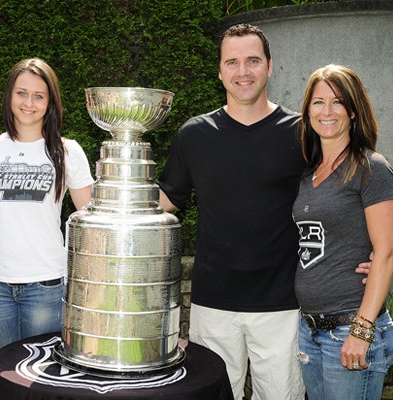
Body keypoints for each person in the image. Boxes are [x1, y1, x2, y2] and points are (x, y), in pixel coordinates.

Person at [158, 24, 372, 399]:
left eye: (253, 61)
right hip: (213, 304)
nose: (244, 71)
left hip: (283, 304)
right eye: (233, 62)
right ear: (220, 70)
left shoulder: (302, 133)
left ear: (270, 66)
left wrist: (370, 251)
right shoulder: (193, 135)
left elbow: (342, 192)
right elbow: (165, 201)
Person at [0, 58, 93, 357]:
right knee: (2, 373)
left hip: (46, 284)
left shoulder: (68, 151)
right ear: (9, 97)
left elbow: (89, 221)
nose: (29, 102)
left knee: (42, 378)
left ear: (50, 102)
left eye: (39, 96)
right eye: (21, 93)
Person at [293, 64, 393, 399]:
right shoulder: (310, 174)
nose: (326, 111)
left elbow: (386, 252)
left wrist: (362, 329)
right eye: (317, 102)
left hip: (350, 330)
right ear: (307, 110)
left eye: (337, 102)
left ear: (353, 111)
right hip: (310, 330)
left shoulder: (371, 169)